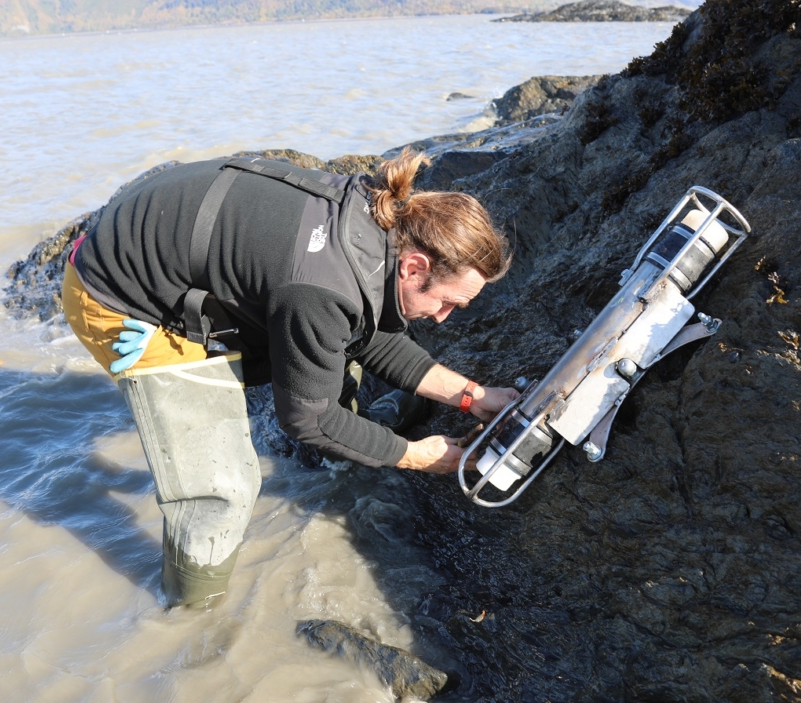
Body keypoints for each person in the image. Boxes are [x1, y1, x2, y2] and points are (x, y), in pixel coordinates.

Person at [61, 148, 518, 608]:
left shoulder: (377, 221)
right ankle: (191, 612)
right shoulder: (323, 285)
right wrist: (419, 457)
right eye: (447, 302)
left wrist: (470, 396)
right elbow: (308, 418)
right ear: (414, 266)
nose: (442, 318)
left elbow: (361, 329)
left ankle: (346, 456)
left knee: (327, 352)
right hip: (117, 295)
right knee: (223, 489)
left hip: (161, 228)